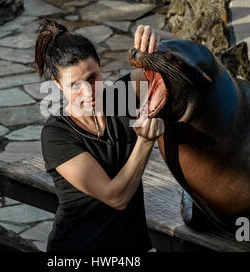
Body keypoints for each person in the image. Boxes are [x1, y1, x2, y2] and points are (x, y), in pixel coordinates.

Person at [35, 18, 168, 253]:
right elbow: (115, 197)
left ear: (100, 64)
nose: (88, 92)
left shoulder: (123, 96)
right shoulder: (56, 135)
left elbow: (185, 61)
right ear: (57, 84)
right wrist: (145, 143)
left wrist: (160, 40)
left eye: (92, 78)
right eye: (75, 85)